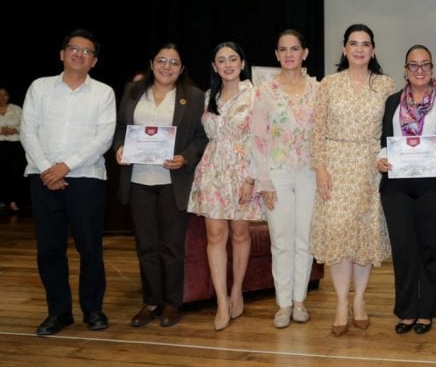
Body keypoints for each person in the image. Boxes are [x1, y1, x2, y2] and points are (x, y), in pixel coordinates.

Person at [20, 29, 116, 335]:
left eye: (87, 52)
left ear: (94, 61)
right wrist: (48, 169)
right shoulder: (40, 87)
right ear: (62, 54)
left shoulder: (104, 93)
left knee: (90, 247)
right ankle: (58, 312)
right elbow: (27, 131)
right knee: (50, 249)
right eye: (74, 49)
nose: (79, 54)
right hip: (43, 177)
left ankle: (93, 309)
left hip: (86, 179)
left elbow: (103, 138)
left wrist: (65, 166)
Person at [113, 43, 207, 328]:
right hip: (139, 179)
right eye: (162, 61)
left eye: (174, 63)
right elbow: (120, 129)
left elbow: (202, 137)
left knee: (172, 246)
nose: (167, 67)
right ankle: (152, 301)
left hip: (172, 181)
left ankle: (172, 303)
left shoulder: (194, 96)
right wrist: (120, 148)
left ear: (182, 68)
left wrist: (185, 157)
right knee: (146, 245)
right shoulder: (133, 91)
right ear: (152, 63)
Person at [310, 24, 395, 336]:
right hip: (336, 165)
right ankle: (340, 303)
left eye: (365, 44)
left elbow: (394, 129)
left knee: (363, 236)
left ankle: (359, 300)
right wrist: (320, 168)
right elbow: (317, 130)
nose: (359, 49)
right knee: (338, 234)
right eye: (354, 43)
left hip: (371, 167)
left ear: (373, 50)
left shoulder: (385, 84)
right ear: (344, 49)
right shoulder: (329, 84)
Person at [377, 45, 436, 335]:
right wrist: (381, 158)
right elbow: (384, 141)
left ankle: (427, 311)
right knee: (403, 249)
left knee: (430, 247)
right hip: (396, 187)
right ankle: (406, 310)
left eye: (425, 64)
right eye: (413, 65)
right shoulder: (392, 102)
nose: (419, 70)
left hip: (434, 184)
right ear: (405, 70)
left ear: (432, 68)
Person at [188, 41, 263, 331]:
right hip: (213, 170)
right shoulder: (209, 96)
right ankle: (221, 301)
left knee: (240, 233)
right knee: (215, 235)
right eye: (221, 60)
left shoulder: (256, 94)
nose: (228, 64)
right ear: (214, 66)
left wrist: (251, 178)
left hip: (243, 171)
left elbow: (261, 139)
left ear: (242, 63)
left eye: (233, 59)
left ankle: (236, 291)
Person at [252, 30, 320, 329]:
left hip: (309, 173)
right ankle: (283, 304)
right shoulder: (264, 91)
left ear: (305, 53)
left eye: (294, 49)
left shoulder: (318, 89)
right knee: (281, 240)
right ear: (277, 54)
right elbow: (257, 139)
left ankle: (300, 301)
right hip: (276, 174)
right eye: (283, 49)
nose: (289, 54)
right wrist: (264, 181)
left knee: (305, 239)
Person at [0, 86, 26, 212]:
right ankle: (1, 200)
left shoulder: (16, 109)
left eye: (4, 94)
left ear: (8, 96)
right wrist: (1, 130)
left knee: (15, 174)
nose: (1, 97)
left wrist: (14, 129)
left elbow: (25, 124)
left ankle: (13, 201)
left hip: (14, 145)